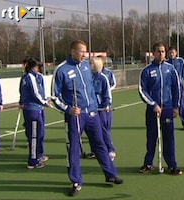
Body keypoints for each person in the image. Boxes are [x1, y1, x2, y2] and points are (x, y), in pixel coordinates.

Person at [51, 40, 123, 196]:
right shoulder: (62, 70)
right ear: (73, 51)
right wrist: (68, 109)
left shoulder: (86, 66)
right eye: (81, 51)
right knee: (74, 149)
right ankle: (76, 181)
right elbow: (55, 97)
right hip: (76, 116)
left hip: (93, 113)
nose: (84, 54)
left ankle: (111, 174)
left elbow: (91, 87)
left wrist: (99, 104)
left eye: (86, 51)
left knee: (100, 144)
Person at [138, 42, 183, 175]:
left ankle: (172, 165)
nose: (161, 54)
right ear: (153, 53)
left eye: (163, 51)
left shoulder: (171, 69)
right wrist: (153, 104)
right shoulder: (146, 70)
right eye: (158, 51)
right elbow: (142, 90)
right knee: (152, 137)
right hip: (153, 110)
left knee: (169, 138)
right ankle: (148, 163)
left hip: (168, 108)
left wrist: (176, 107)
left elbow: (177, 89)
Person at [19, 57, 50, 169]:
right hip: (33, 109)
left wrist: (44, 101)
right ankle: (32, 161)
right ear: (34, 67)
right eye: (38, 66)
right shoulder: (29, 77)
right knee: (34, 136)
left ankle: (38, 155)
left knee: (40, 134)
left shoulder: (36, 76)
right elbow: (35, 93)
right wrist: (44, 102)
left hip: (38, 108)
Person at [88, 57, 116, 161]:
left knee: (104, 131)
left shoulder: (103, 78)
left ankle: (110, 150)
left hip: (102, 109)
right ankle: (96, 151)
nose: (90, 65)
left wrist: (107, 104)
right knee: (93, 132)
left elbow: (107, 94)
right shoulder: (88, 77)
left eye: (92, 63)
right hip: (91, 109)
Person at [167, 46, 184, 131]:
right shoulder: (166, 63)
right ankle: (168, 124)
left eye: (173, 52)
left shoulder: (180, 61)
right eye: (170, 52)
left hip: (179, 87)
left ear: (176, 53)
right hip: (169, 87)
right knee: (168, 106)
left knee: (182, 106)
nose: (171, 54)